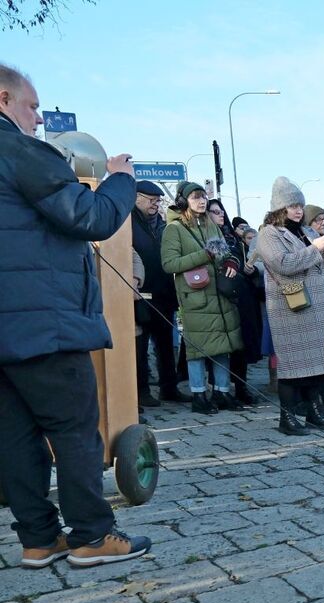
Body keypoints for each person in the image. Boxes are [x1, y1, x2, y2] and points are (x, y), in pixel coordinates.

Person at [0, 62, 152, 567]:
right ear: (4, 100)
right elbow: (91, 217)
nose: (39, 119)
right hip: (45, 324)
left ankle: (39, 540)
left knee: (17, 436)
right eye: (32, 106)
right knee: (73, 429)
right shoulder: (19, 151)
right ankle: (92, 536)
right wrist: (120, 180)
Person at [254, 177, 324, 435]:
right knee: (292, 366)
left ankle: (315, 412)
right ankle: (287, 417)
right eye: (292, 205)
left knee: (317, 364)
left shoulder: (308, 231)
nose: (297, 210)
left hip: (319, 306)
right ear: (279, 208)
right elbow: (282, 263)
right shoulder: (268, 234)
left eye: (299, 205)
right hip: (291, 307)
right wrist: (315, 250)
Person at [160, 181, 244, 415]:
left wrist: (230, 261)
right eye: (196, 197)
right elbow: (169, 264)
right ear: (184, 201)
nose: (202, 200)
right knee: (197, 349)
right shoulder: (173, 229)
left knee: (222, 345)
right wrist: (204, 255)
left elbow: (225, 251)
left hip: (219, 295)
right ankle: (199, 395)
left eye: (204, 196)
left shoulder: (211, 225)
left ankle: (222, 391)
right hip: (195, 296)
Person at [131, 180, 184, 407]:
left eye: (158, 201)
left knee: (165, 344)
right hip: (140, 293)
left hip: (164, 292)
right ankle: (141, 390)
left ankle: (169, 388)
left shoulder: (163, 225)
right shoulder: (127, 222)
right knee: (139, 347)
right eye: (151, 200)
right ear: (136, 198)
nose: (155, 204)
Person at [209, 197, 264, 407]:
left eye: (221, 211)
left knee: (242, 342)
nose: (220, 214)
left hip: (242, 295)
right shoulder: (208, 236)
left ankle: (241, 387)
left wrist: (249, 270)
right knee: (221, 345)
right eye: (214, 212)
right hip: (220, 295)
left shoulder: (234, 237)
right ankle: (219, 390)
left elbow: (244, 261)